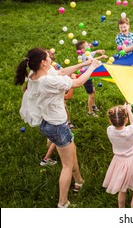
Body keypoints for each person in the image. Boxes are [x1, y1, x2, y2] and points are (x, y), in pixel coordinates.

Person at [15, 47, 101, 208]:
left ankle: (79, 181)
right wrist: (92, 67)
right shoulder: (47, 81)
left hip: (47, 124)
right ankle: (63, 203)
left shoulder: (35, 75)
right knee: (67, 164)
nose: (51, 59)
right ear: (43, 62)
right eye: (49, 57)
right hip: (57, 126)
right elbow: (77, 82)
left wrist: (85, 63)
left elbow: (61, 72)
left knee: (71, 149)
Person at [103, 103, 133, 208]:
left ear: (110, 121)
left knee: (122, 189)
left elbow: (119, 122)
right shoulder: (130, 131)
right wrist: (129, 110)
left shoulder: (109, 130)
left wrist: (123, 110)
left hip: (119, 162)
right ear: (126, 120)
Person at [75, 41, 107, 117]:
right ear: (83, 50)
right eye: (87, 46)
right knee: (91, 95)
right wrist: (100, 59)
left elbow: (93, 54)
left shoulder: (87, 53)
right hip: (86, 77)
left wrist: (99, 52)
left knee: (93, 91)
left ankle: (93, 105)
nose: (89, 46)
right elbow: (91, 60)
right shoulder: (85, 55)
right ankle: (90, 112)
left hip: (89, 76)